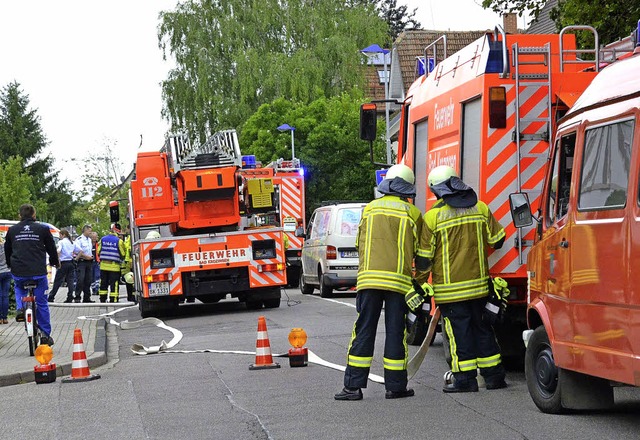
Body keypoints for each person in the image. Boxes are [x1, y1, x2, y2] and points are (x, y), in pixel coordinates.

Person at [335, 164, 429, 401]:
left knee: (363, 330)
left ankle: (352, 388)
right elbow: (424, 255)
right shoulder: (413, 214)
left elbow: (359, 243)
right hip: (399, 283)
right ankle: (395, 387)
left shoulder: (369, 209)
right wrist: (418, 281)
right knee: (396, 333)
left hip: (368, 280)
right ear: (406, 189)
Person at [419, 165, 507, 393]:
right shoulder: (481, 209)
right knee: (484, 330)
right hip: (479, 286)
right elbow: (498, 239)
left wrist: (419, 283)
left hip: (450, 291)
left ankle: (465, 381)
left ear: (437, 192)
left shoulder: (432, 217)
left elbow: (424, 259)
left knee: (459, 335)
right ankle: (495, 377)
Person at [4, 204, 60, 345]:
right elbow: (51, 248)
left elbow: (7, 250)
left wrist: (10, 264)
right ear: (34, 215)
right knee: (41, 303)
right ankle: (46, 335)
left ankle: (20, 308)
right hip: (38, 272)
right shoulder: (42, 229)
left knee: (19, 287)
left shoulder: (12, 230)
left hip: (19, 271)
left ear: (19, 215)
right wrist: (55, 262)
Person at [98, 223, 126, 303]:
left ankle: (102, 299)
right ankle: (113, 299)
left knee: (103, 283)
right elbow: (123, 254)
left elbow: (98, 251)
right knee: (114, 284)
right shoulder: (119, 241)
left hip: (103, 266)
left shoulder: (102, 239)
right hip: (114, 267)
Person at [47, 228, 76, 303]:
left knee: (58, 281)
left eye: (60, 235)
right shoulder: (71, 242)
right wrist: (76, 259)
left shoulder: (61, 242)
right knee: (70, 281)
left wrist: (58, 260)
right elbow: (79, 251)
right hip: (71, 263)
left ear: (63, 235)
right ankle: (70, 297)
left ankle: (51, 297)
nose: (59, 236)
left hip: (63, 263)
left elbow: (58, 251)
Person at [73, 224, 95, 303]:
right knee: (80, 279)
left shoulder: (89, 240)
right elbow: (78, 252)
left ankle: (87, 298)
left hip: (89, 262)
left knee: (88, 280)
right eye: (89, 231)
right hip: (82, 262)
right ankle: (77, 297)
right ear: (85, 230)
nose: (90, 232)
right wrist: (86, 257)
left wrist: (90, 257)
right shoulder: (79, 239)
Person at [0, 235, 11, 324]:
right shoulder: (4, 246)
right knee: (5, 295)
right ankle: (5, 317)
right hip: (7, 272)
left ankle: (0, 318)